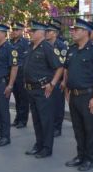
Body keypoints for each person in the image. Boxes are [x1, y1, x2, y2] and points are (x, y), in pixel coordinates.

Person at [63, 18, 93, 172]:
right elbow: (67, 70)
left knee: (89, 129)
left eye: (76, 30)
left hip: (88, 95)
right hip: (74, 96)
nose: (73, 32)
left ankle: (89, 159)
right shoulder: (71, 49)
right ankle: (80, 155)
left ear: (85, 32)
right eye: (73, 30)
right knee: (78, 128)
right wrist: (66, 90)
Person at [23, 20, 63, 159]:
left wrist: (52, 84)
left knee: (45, 120)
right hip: (31, 89)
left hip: (42, 89)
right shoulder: (30, 46)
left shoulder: (46, 47)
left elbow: (59, 67)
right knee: (36, 120)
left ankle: (47, 148)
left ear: (41, 33)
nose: (30, 34)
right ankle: (39, 144)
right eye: (30, 31)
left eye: (33, 31)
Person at [45, 21, 67, 137]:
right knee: (49, 105)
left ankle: (57, 127)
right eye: (46, 31)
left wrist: (64, 81)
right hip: (47, 80)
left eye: (48, 31)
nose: (46, 33)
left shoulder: (61, 46)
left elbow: (64, 65)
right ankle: (50, 126)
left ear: (55, 33)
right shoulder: (45, 45)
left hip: (58, 81)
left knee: (58, 105)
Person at [10, 22, 30, 128]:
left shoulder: (25, 43)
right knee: (17, 98)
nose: (14, 31)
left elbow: (26, 59)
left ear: (22, 31)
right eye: (13, 29)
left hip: (22, 74)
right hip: (13, 75)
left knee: (23, 99)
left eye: (17, 30)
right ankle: (17, 118)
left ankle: (23, 120)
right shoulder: (11, 42)